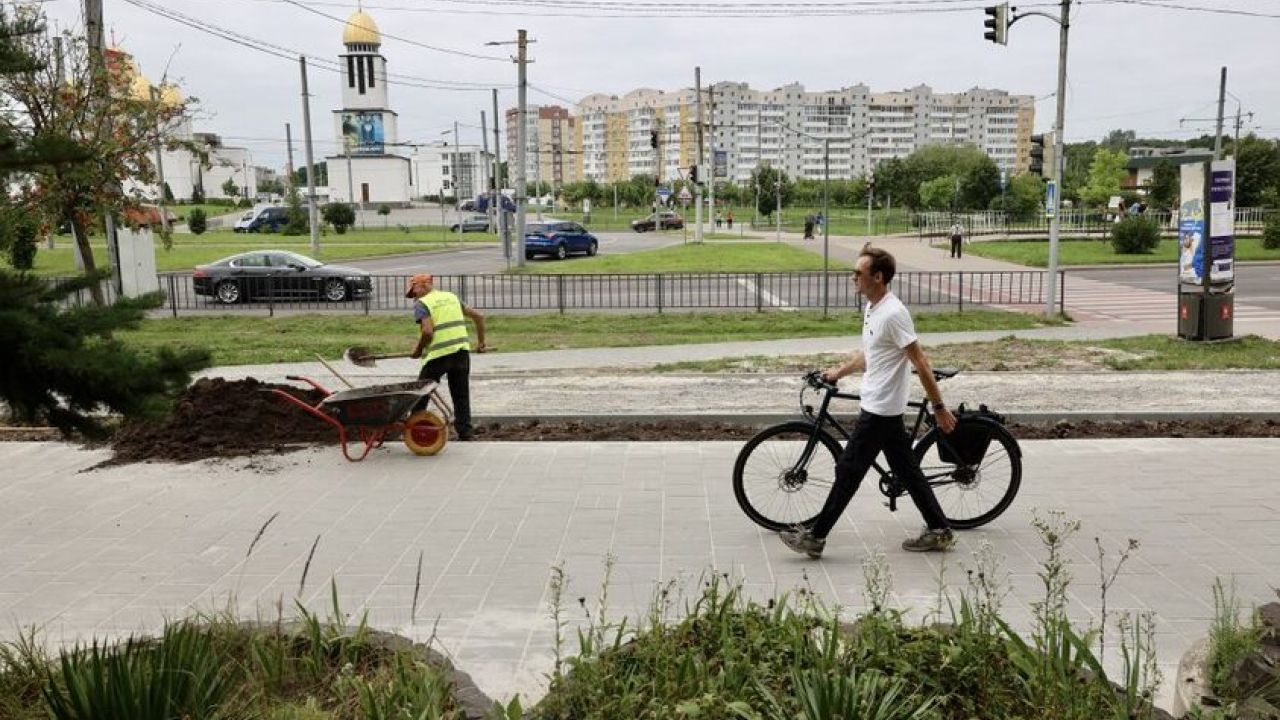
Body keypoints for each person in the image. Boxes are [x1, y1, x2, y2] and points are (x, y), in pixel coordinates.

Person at [781, 246, 958, 559]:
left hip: (881, 409)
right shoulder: (873, 308)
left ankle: (816, 537)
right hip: (879, 405)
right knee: (907, 470)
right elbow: (872, 353)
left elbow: (920, 361)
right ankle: (940, 529)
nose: (853, 279)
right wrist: (840, 370)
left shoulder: (893, 313)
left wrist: (939, 407)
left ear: (878, 277)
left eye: (858, 274)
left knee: (849, 469)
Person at [405, 273, 487, 441]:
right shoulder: (451, 297)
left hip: (439, 356)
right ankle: (466, 433)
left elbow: (427, 331)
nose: (413, 296)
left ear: (424, 285)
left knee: (421, 393)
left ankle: (415, 432)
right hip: (461, 354)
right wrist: (481, 343)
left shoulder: (423, 303)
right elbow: (479, 316)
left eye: (414, 291)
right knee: (461, 395)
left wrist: (418, 349)